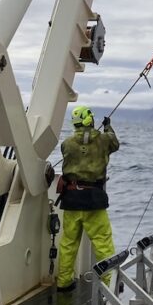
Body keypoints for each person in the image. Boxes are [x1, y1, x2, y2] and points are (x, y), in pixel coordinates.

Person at [55, 105, 119, 291]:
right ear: (90, 120)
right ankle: (109, 284)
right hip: (94, 200)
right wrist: (107, 127)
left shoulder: (66, 143)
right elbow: (115, 144)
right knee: (103, 243)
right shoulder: (104, 140)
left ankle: (64, 282)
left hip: (72, 200)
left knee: (68, 243)